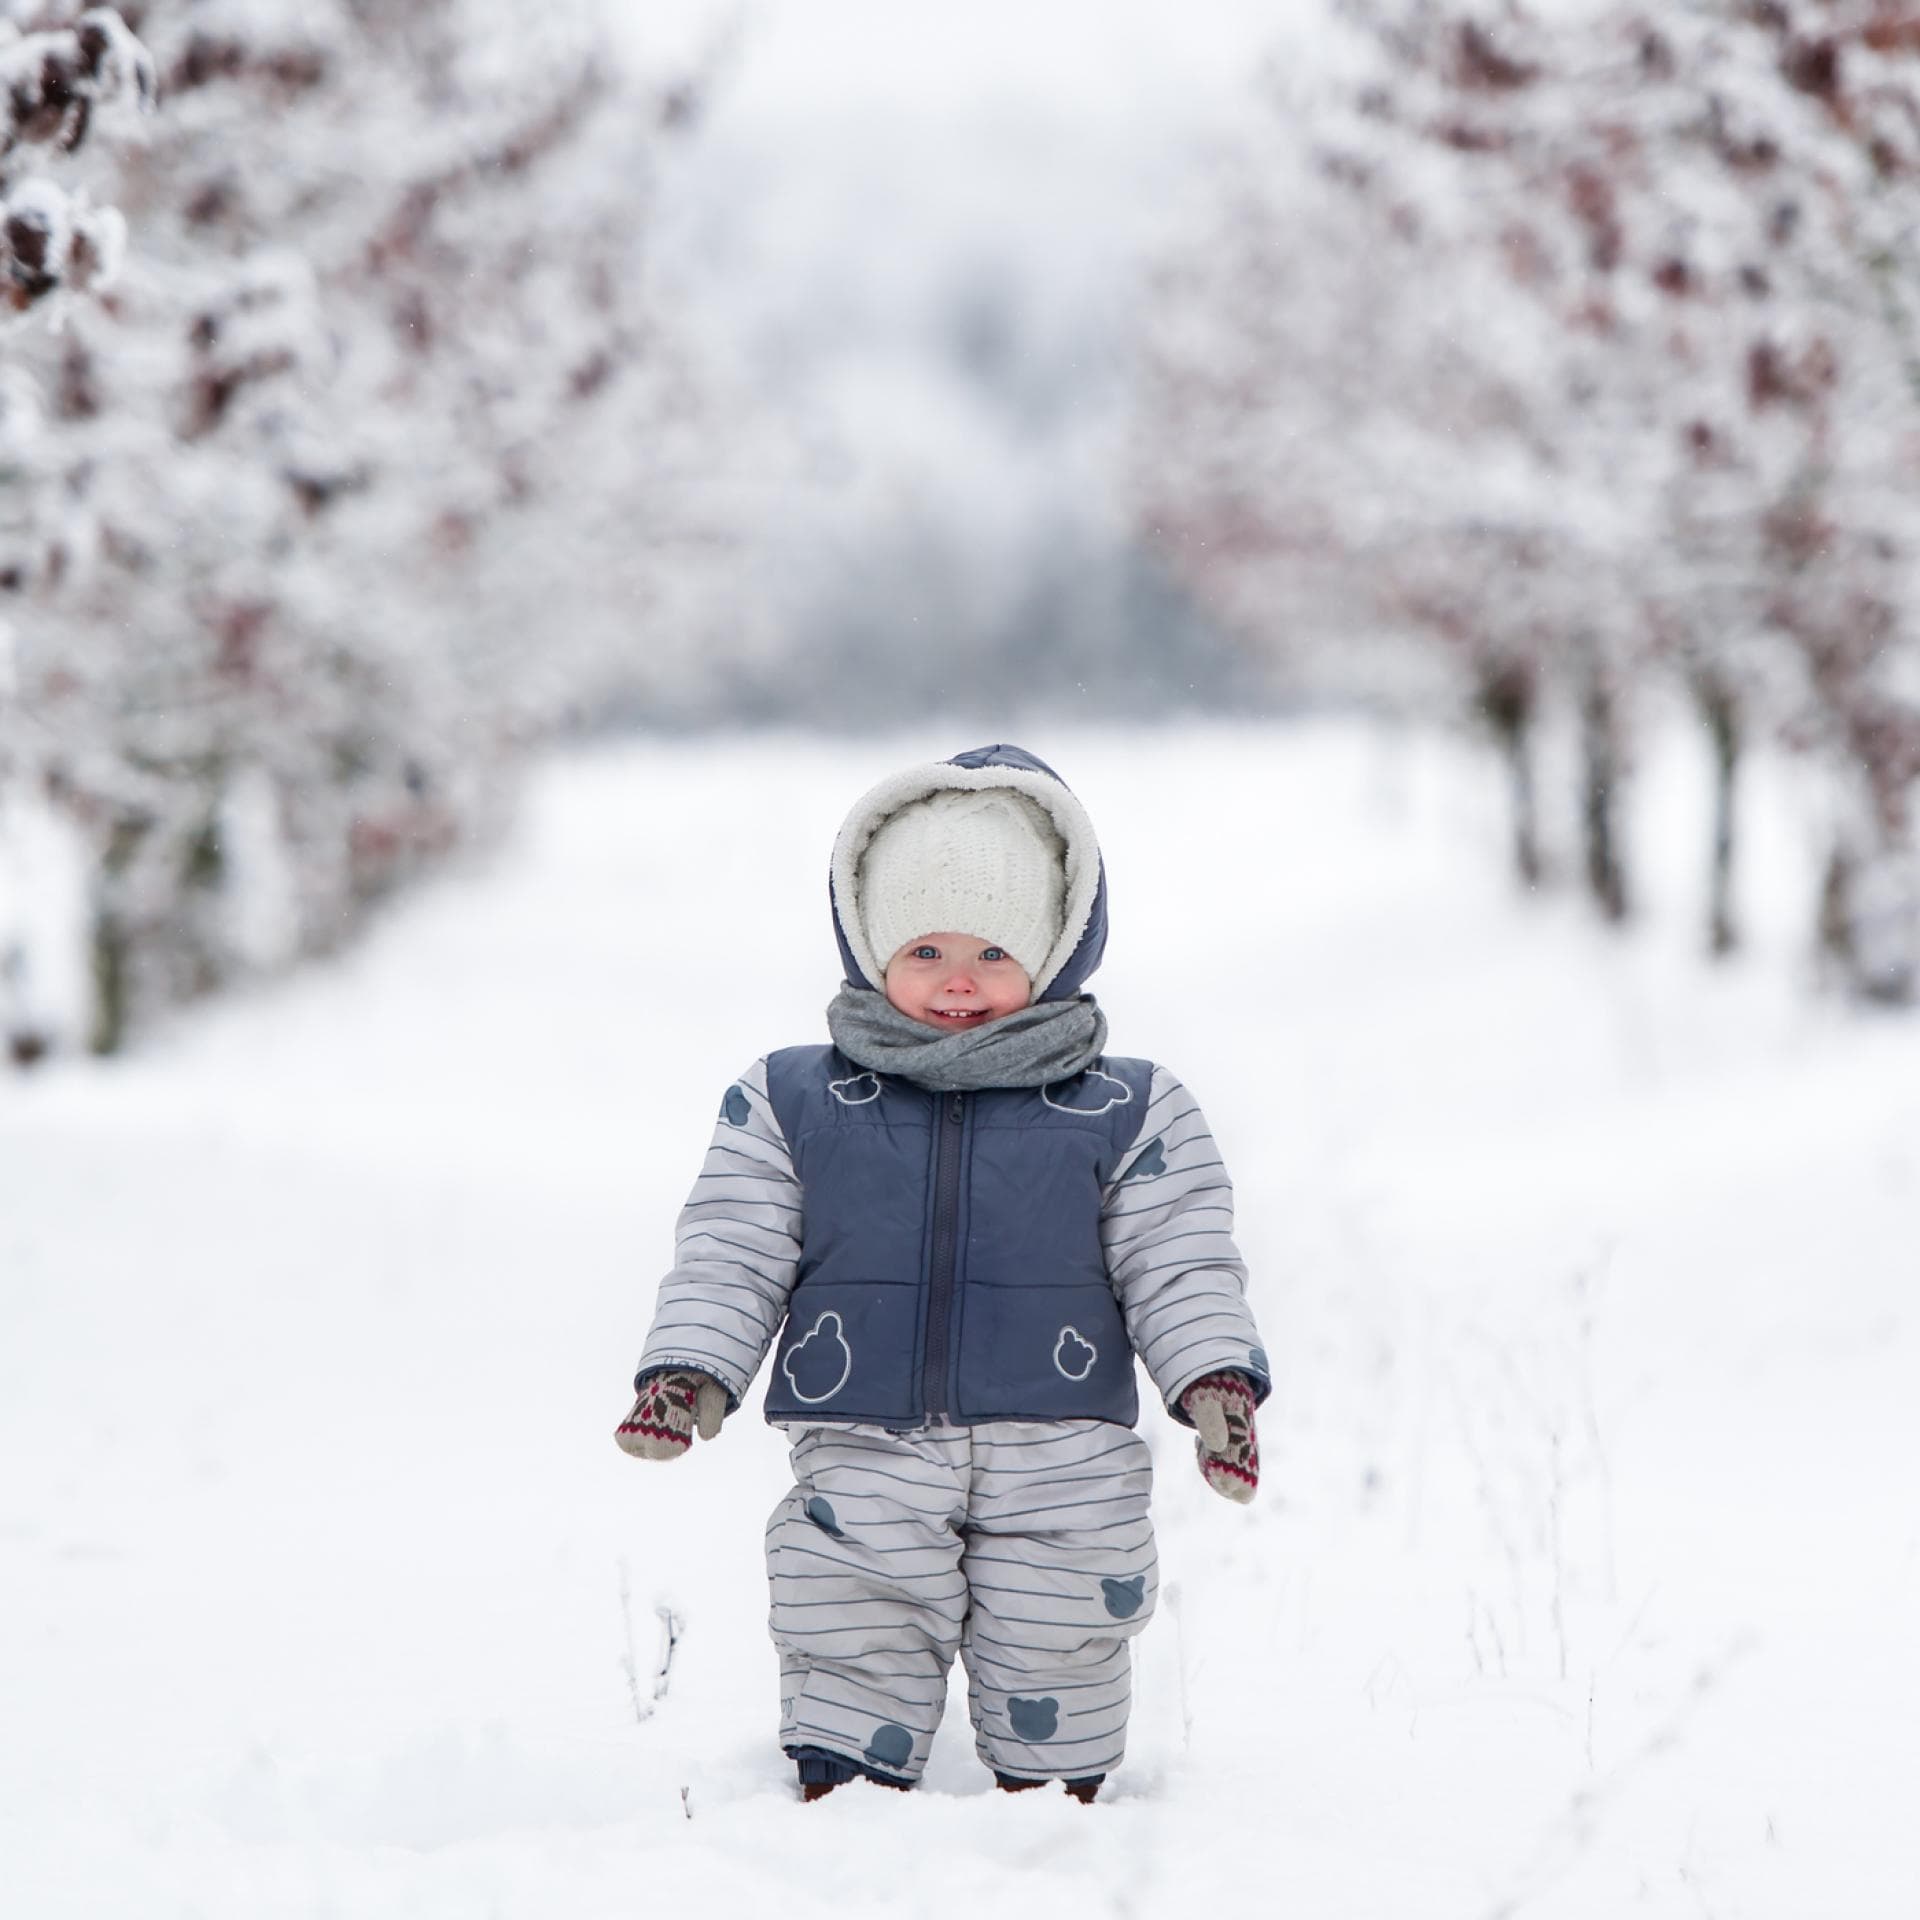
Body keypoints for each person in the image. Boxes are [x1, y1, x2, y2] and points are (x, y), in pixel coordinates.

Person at [615, 743, 1269, 1802]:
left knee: (1063, 1625)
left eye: (994, 951)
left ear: (1055, 953)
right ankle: (843, 1794)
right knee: (847, 1609)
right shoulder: (793, 1099)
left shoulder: (1129, 1108)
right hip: (864, 1439)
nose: (958, 980)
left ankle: (1057, 1812)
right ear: (871, 948)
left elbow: (1179, 1254)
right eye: (924, 948)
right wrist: (689, 1367)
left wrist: (1213, 1381)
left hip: (1065, 1451)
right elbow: (731, 1243)